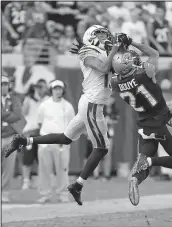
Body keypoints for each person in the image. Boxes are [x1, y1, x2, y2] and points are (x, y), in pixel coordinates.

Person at [4, 25, 121, 206]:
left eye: (105, 34)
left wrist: (120, 52)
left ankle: (25, 141)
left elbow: (111, 70)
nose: (105, 37)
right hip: (92, 104)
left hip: (93, 104)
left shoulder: (99, 53)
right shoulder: (87, 53)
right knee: (102, 148)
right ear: (91, 37)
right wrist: (115, 49)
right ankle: (77, 186)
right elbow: (105, 68)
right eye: (100, 34)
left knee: (66, 138)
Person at [110, 33, 172, 206]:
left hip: (144, 125)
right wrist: (131, 42)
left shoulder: (115, 82)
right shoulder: (144, 73)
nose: (135, 59)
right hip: (160, 121)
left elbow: (112, 66)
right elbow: (154, 53)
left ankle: (135, 180)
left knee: (143, 164)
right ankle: (150, 161)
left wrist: (117, 49)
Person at [36, 80, 75, 203]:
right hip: (45, 142)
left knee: (62, 169)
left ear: (63, 90)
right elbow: (40, 122)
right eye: (55, 88)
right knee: (44, 169)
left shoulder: (67, 106)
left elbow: (72, 125)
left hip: (61, 143)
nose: (57, 91)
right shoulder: (44, 105)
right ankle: (44, 194)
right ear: (51, 90)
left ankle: (63, 195)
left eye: (60, 88)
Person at [2, 74, 26, 202]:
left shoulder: (14, 99)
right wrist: (9, 114)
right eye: (1, 84)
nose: (4, 87)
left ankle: (4, 193)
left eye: (5, 84)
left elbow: (18, 115)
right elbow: (13, 114)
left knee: (8, 167)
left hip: (10, 136)